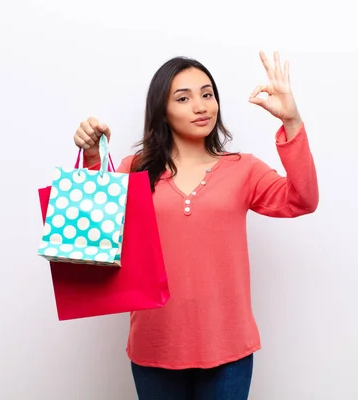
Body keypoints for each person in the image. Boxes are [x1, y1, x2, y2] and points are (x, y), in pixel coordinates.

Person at [73, 51, 319, 400]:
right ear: (162, 110)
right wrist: (94, 156)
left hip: (229, 349)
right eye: (183, 98)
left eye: (207, 94)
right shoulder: (135, 169)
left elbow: (303, 200)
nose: (201, 106)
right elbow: (92, 231)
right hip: (154, 347)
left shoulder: (243, 169)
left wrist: (292, 121)